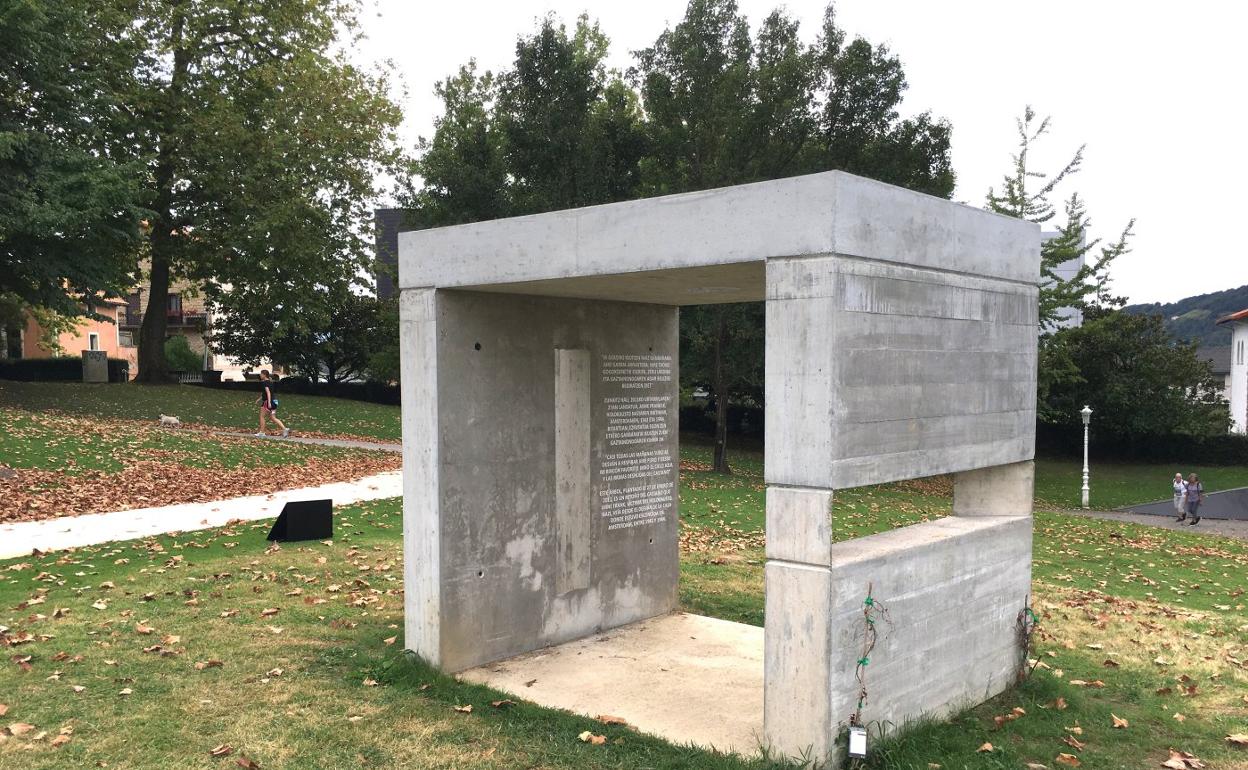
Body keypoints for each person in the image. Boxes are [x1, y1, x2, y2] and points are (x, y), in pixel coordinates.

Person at [255, 370, 290, 438]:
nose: (260, 375)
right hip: (275, 401)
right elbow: (266, 393)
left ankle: (262, 433)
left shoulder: (265, 383)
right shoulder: (270, 382)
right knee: (273, 417)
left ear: (264, 375)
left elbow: (268, 393)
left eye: (261, 374)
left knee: (262, 416)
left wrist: (269, 402)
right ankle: (285, 429)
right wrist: (259, 399)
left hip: (268, 402)